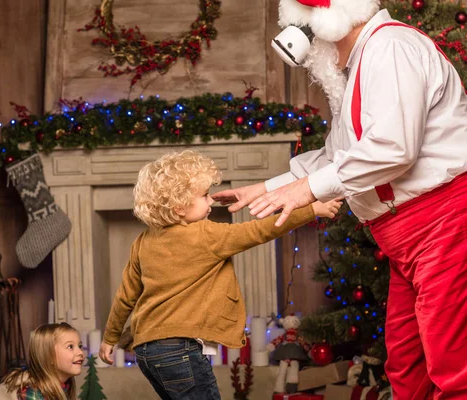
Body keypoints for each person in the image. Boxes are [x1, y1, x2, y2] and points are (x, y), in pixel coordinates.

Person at [212, 1, 467, 399]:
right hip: (405, 239)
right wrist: (264, 188)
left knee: (451, 364)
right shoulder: (362, 65)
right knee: (406, 362)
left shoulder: (390, 47)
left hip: (441, 224)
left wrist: (306, 190)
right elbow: (337, 155)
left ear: (327, 24)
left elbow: (393, 149)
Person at [98, 149, 341, 399]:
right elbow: (260, 230)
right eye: (204, 195)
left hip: (147, 352)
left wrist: (109, 339)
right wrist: (311, 210)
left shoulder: (142, 241)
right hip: (181, 350)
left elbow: (125, 296)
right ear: (180, 207)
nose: (211, 201)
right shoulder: (206, 234)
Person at [0, 323, 83, 400]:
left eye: (80, 346)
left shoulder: (63, 385)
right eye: (70, 347)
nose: (80, 352)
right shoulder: (32, 392)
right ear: (49, 355)